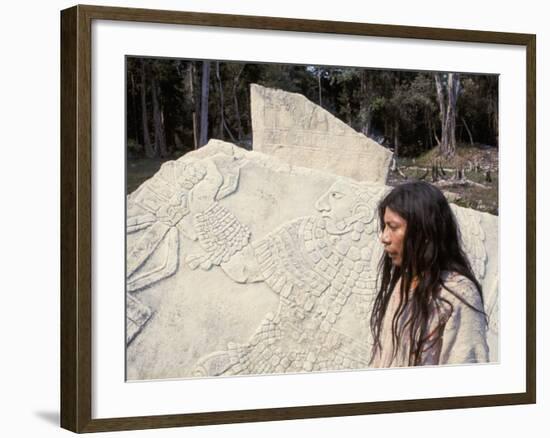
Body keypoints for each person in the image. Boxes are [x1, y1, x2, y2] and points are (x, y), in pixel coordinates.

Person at [370, 181, 489, 368]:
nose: (384, 237)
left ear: (424, 231)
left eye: (393, 227)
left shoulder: (458, 295)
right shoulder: (405, 282)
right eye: (385, 227)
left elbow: (467, 376)